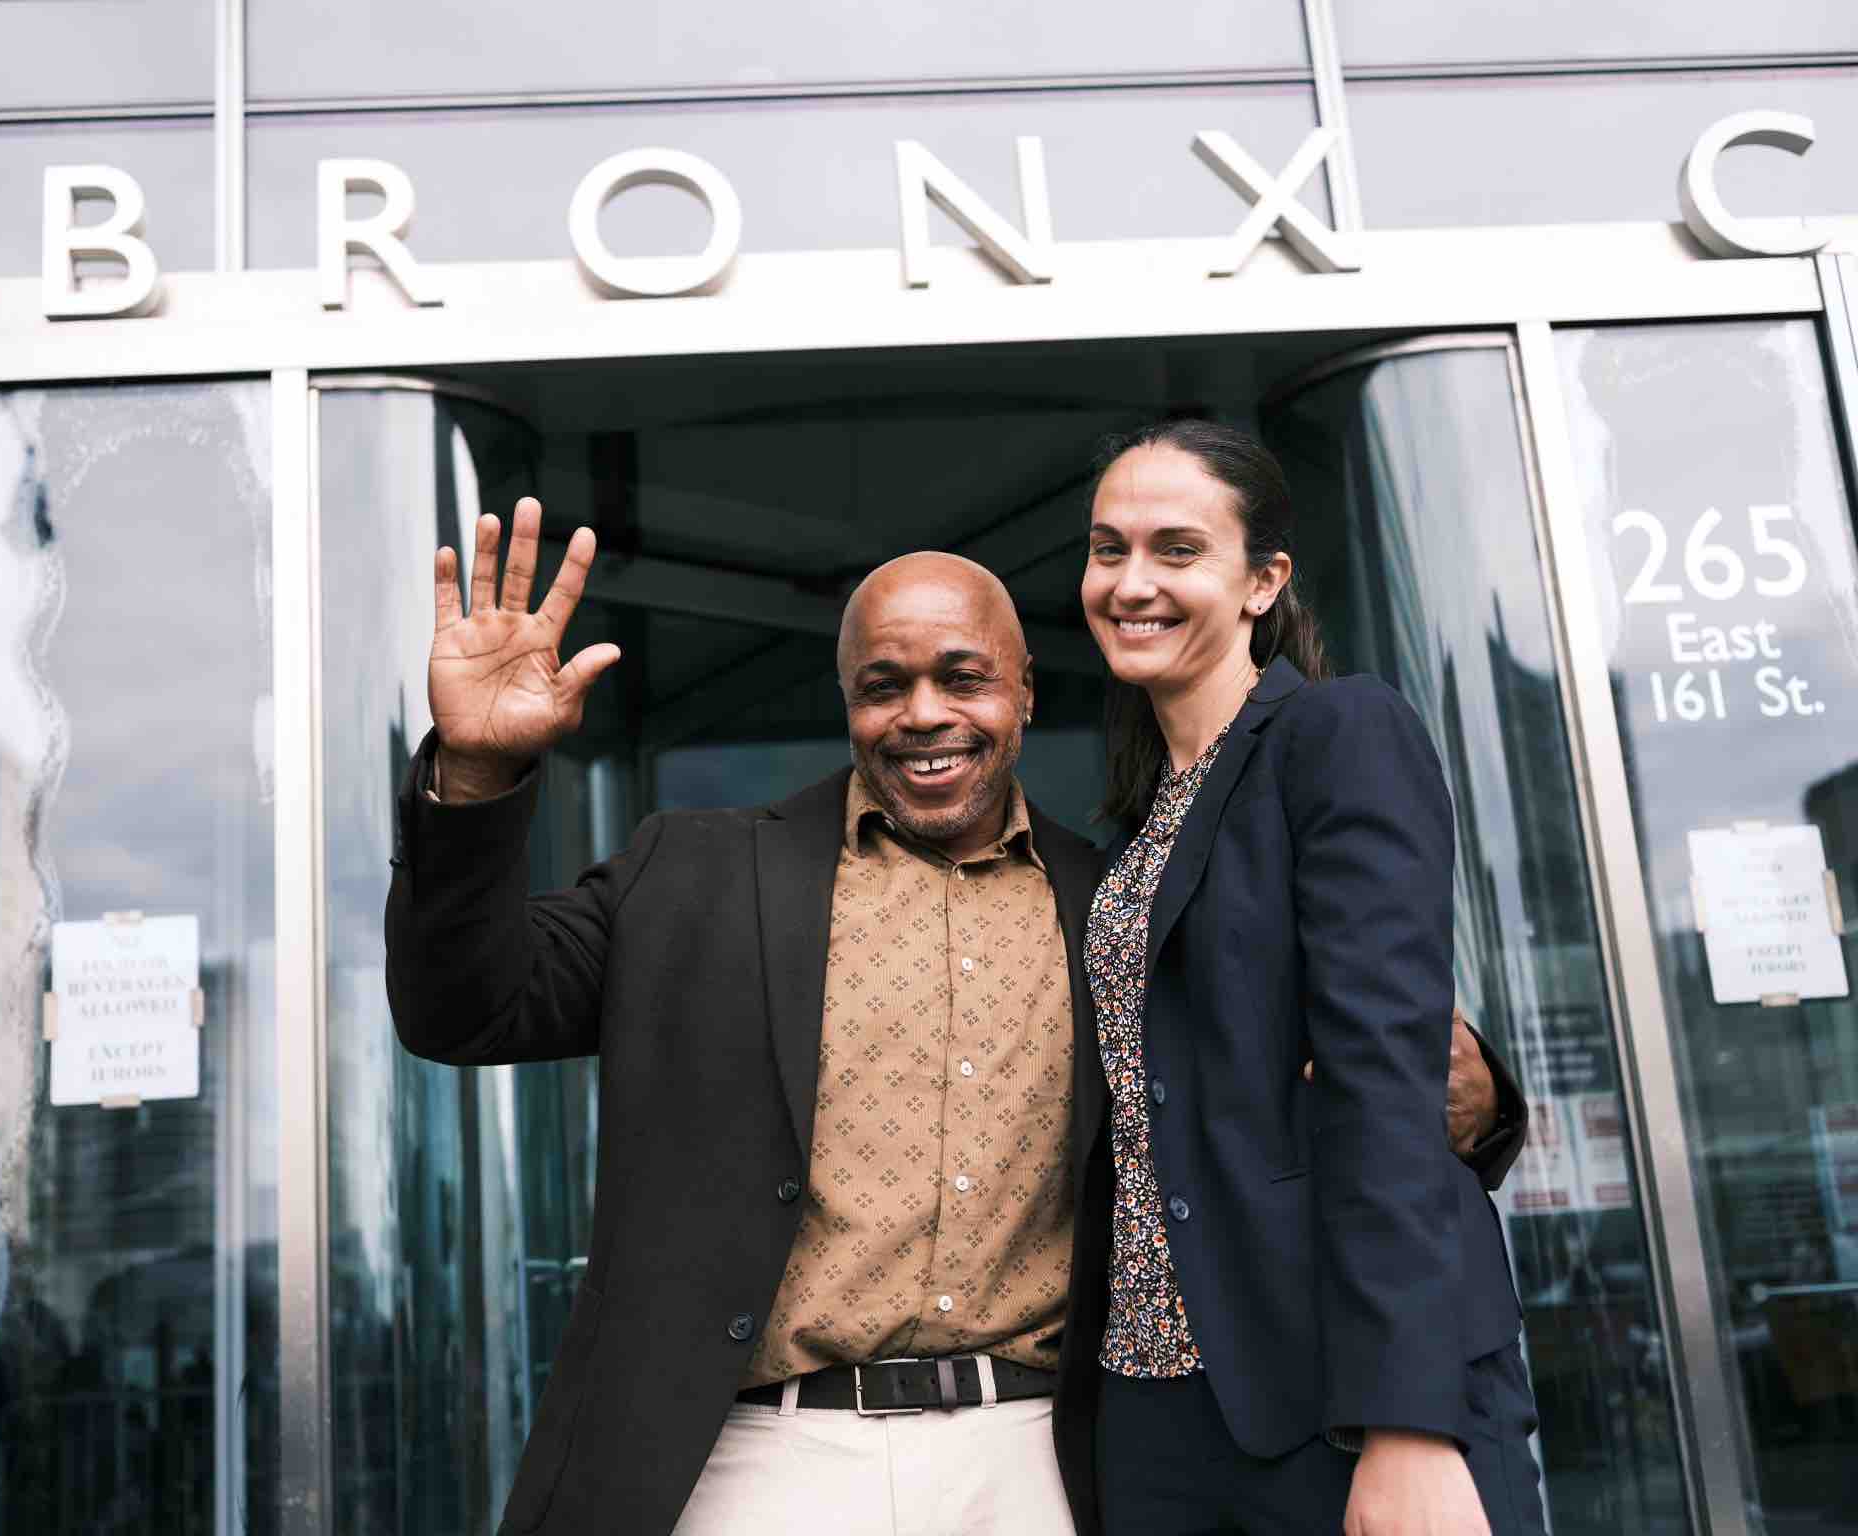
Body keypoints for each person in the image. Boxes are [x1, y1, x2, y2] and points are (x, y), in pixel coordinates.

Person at [384, 496, 1523, 1535]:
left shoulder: (1118, 906)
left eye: (962, 677)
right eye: (884, 686)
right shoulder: (689, 872)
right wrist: (476, 780)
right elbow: (462, 1011)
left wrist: (1469, 1103)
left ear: (1023, 694)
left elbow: (1273, 1078)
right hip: (747, 1461)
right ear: (847, 705)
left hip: (1037, 1460)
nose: (923, 715)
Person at [1059, 419, 1543, 1536]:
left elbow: (1382, 1080)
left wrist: (1405, 1423)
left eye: (1177, 549)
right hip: (1154, 1397)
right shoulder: (1138, 828)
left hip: (1332, 1378)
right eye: (1106, 548)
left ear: (1260, 581)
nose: (1131, 582)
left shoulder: (1333, 733)